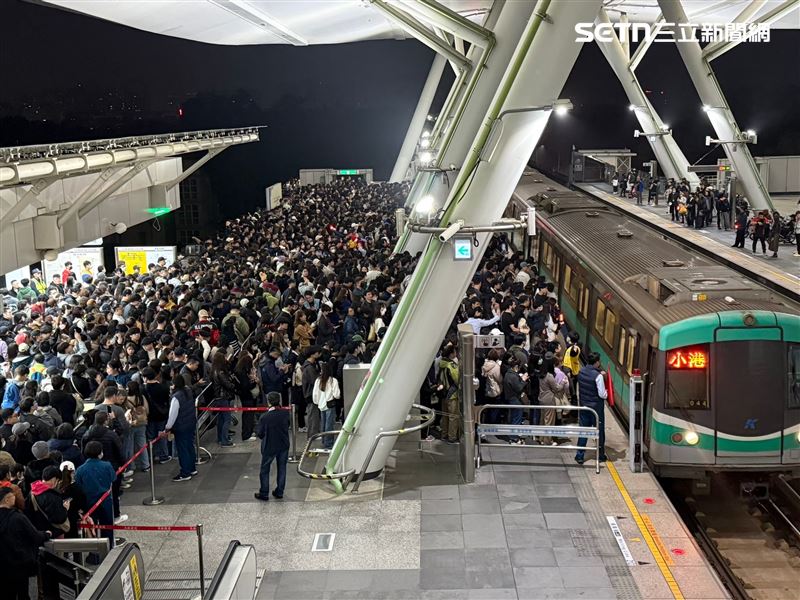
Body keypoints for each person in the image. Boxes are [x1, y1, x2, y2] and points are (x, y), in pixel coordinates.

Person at [0, 486, 51, 600]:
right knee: (23, 594)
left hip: (2, 566)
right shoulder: (17, 517)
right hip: (19, 565)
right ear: (7, 499)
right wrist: (47, 534)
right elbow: (36, 536)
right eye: (13, 496)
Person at [75, 441, 117, 547]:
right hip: (106, 501)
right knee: (107, 526)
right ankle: (108, 547)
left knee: (91, 528)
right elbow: (113, 478)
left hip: (89, 503)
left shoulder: (80, 470)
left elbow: (78, 486)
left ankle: (94, 553)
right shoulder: (107, 465)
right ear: (100, 453)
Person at [254, 392, 290, 502]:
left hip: (269, 445)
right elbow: (287, 425)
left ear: (269, 402)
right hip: (283, 444)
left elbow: (260, 433)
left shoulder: (264, 417)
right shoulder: (285, 413)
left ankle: (264, 492)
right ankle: (280, 491)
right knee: (282, 468)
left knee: (265, 469)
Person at [575, 352, 608, 465]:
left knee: (583, 430)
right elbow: (602, 394)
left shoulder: (581, 371)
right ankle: (601, 455)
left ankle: (579, 455)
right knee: (599, 431)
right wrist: (608, 392)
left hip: (584, 406)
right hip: (596, 409)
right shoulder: (598, 376)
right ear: (597, 362)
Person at [164, 375, 197, 482]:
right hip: (190, 423)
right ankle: (192, 468)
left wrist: (168, 427)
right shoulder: (187, 391)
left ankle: (185, 472)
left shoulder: (176, 397)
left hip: (181, 427)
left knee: (183, 450)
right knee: (189, 446)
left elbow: (172, 414)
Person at [25, 465, 70, 536]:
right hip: (51, 534)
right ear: (54, 479)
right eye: (58, 481)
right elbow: (59, 519)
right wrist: (65, 509)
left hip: (37, 533)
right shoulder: (52, 497)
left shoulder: (32, 492)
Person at [312, 359, 340, 450]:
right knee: (329, 424)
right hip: (330, 404)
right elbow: (336, 394)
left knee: (323, 423)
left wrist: (317, 402)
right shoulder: (333, 380)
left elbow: (315, 394)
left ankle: (324, 441)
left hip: (321, 404)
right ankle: (329, 443)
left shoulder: (318, 380)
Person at [210, 352, 236, 448]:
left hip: (217, 397)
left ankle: (220, 438)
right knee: (227, 419)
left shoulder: (213, 371)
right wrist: (233, 385)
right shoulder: (220, 372)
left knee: (221, 419)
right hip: (223, 397)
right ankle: (225, 440)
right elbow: (227, 384)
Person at [437, 345, 460, 444]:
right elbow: (457, 379)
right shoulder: (451, 365)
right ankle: (452, 437)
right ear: (451, 353)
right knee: (453, 417)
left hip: (443, 394)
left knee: (445, 416)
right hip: (452, 394)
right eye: (455, 352)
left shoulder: (441, 363)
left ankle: (444, 435)